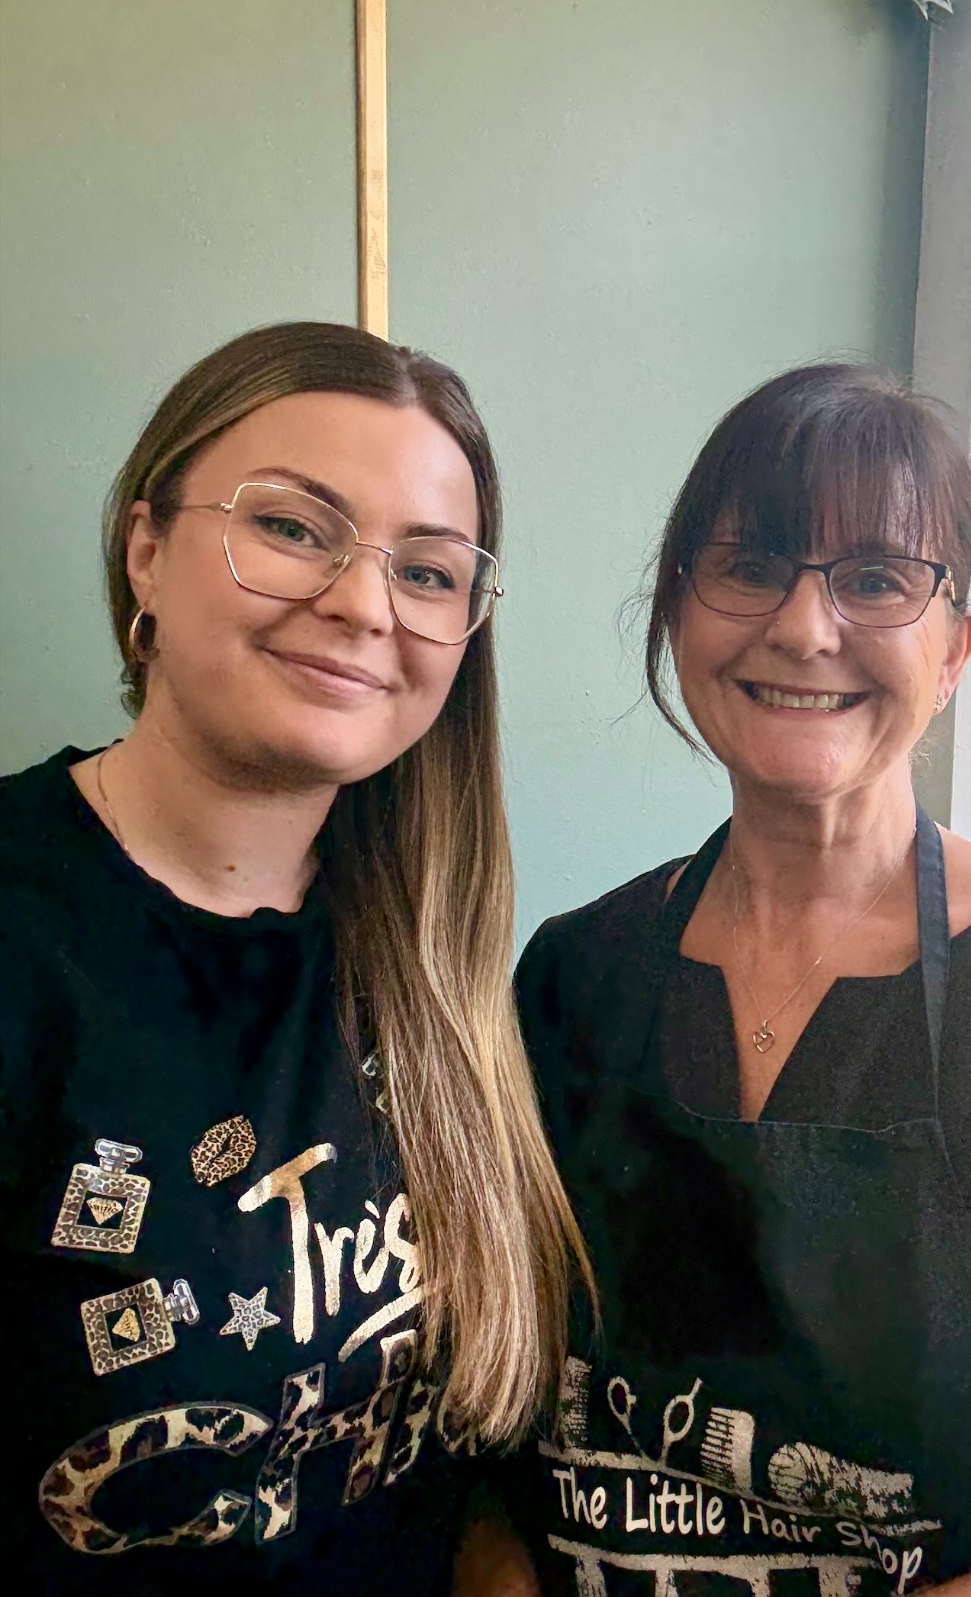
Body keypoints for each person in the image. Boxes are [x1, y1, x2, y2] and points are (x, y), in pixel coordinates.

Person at [510, 365, 971, 1594]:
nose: (803, 625)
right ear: (678, 614)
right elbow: (493, 1475)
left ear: (954, 650)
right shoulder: (573, 976)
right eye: (752, 563)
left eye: (877, 579)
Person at [0, 321, 589, 1594]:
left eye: (429, 572)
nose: (362, 601)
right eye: (293, 527)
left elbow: (459, 1465)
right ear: (146, 547)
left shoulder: (437, 954)